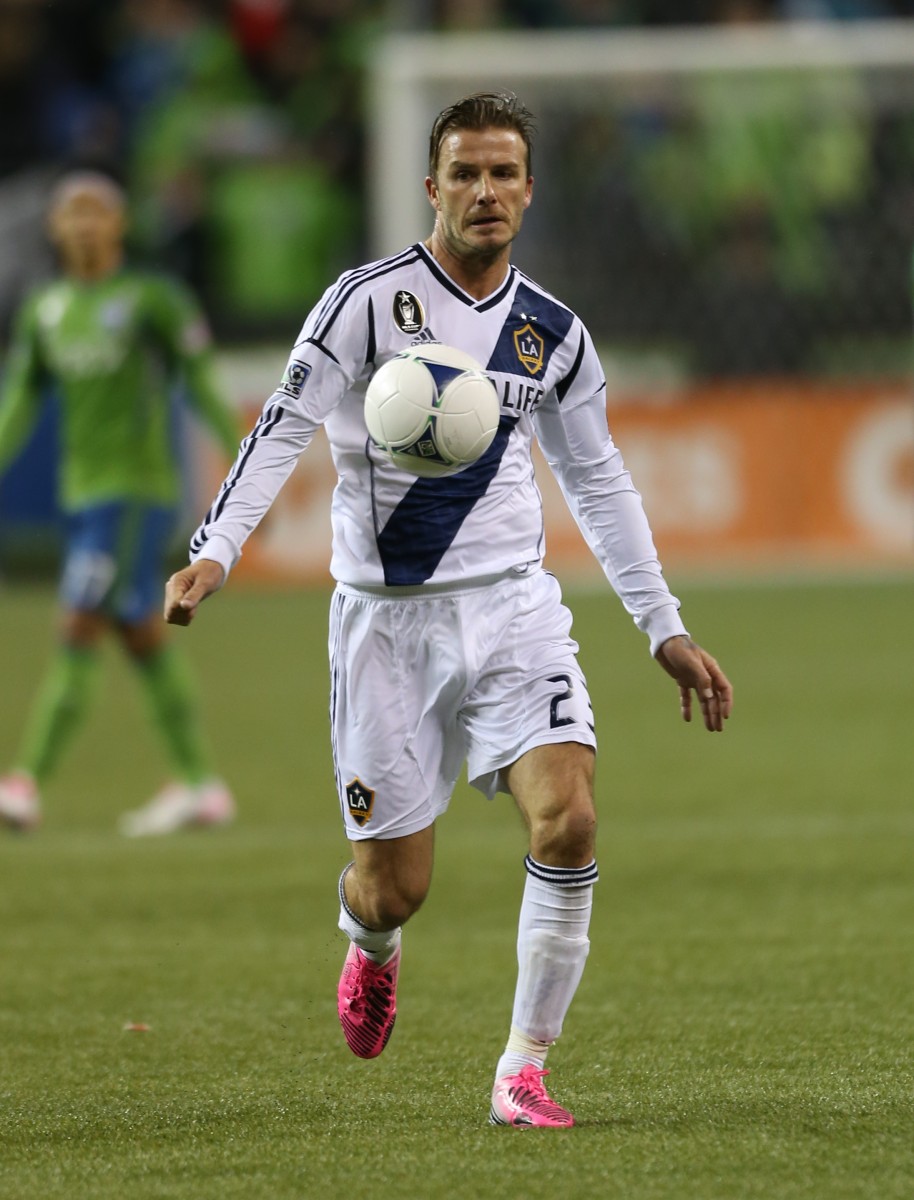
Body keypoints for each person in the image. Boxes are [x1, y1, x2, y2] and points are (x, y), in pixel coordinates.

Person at [164, 92, 733, 1127]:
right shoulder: (365, 304)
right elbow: (283, 426)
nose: (483, 192)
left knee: (568, 820)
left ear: (527, 189)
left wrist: (664, 626)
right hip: (384, 624)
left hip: (514, 606)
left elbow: (598, 482)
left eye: (502, 173)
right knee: (397, 889)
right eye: (463, 174)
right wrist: (214, 551)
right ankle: (367, 940)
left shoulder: (551, 334)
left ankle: (522, 1069)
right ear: (430, 188)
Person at [0, 170, 241, 836]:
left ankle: (23, 784)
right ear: (54, 229)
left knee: (77, 624)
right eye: (70, 213)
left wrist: (245, 469)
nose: (82, 224)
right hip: (80, 495)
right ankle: (201, 784)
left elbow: (200, 381)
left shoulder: (150, 299)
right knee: (140, 637)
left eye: (94, 212)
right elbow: (20, 397)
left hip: (135, 494)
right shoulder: (45, 307)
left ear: (119, 225)